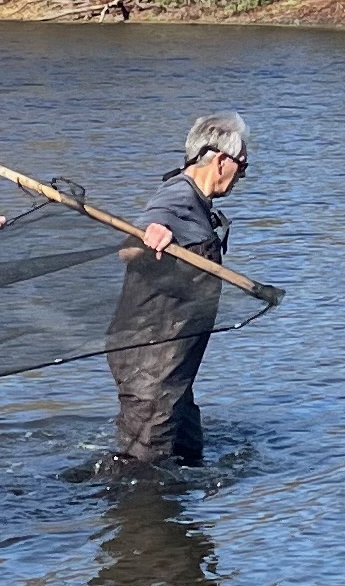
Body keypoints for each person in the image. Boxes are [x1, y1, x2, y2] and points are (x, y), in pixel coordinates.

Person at [103, 110, 249, 471]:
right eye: (242, 166)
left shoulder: (197, 202)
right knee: (143, 470)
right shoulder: (177, 197)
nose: (242, 176)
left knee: (187, 453)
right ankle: (138, 522)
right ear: (220, 161)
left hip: (174, 360)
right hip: (150, 360)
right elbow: (130, 247)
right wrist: (150, 234)